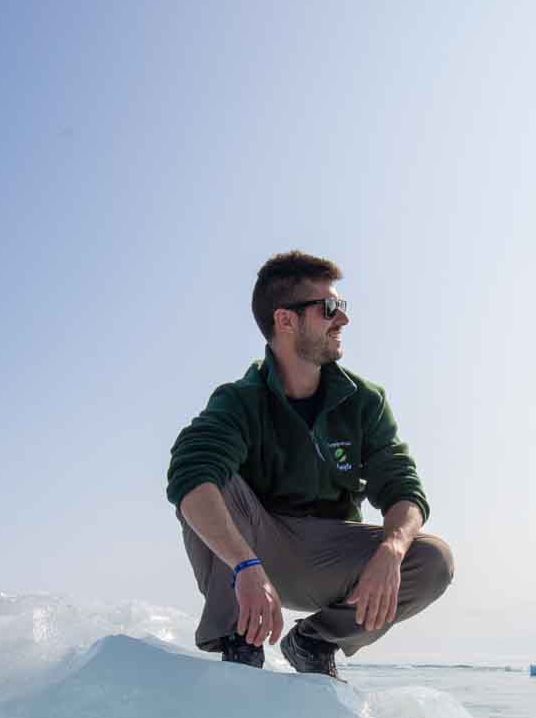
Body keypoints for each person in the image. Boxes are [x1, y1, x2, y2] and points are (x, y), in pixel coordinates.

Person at [166, 250, 454, 677]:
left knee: (432, 559)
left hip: (326, 554)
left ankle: (314, 642)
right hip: (251, 550)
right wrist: (245, 565)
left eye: (343, 307)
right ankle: (240, 644)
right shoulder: (239, 401)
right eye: (330, 308)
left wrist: (392, 551)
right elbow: (189, 475)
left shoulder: (364, 402)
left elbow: (404, 488)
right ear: (286, 320)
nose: (343, 320)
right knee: (206, 479)